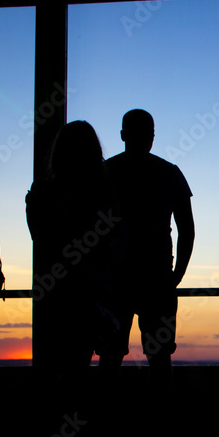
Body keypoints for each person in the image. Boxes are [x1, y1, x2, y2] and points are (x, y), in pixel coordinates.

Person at [104, 109, 194, 385]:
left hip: (114, 277)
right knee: (160, 355)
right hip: (157, 275)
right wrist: (177, 274)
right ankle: (162, 417)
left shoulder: (106, 172)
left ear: (122, 135)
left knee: (110, 353)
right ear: (152, 137)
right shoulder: (169, 172)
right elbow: (187, 229)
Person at [26, 120, 122, 373]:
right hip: (90, 296)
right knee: (79, 369)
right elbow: (111, 246)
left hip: (54, 294)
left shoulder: (41, 194)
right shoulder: (103, 194)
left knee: (53, 369)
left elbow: (41, 240)